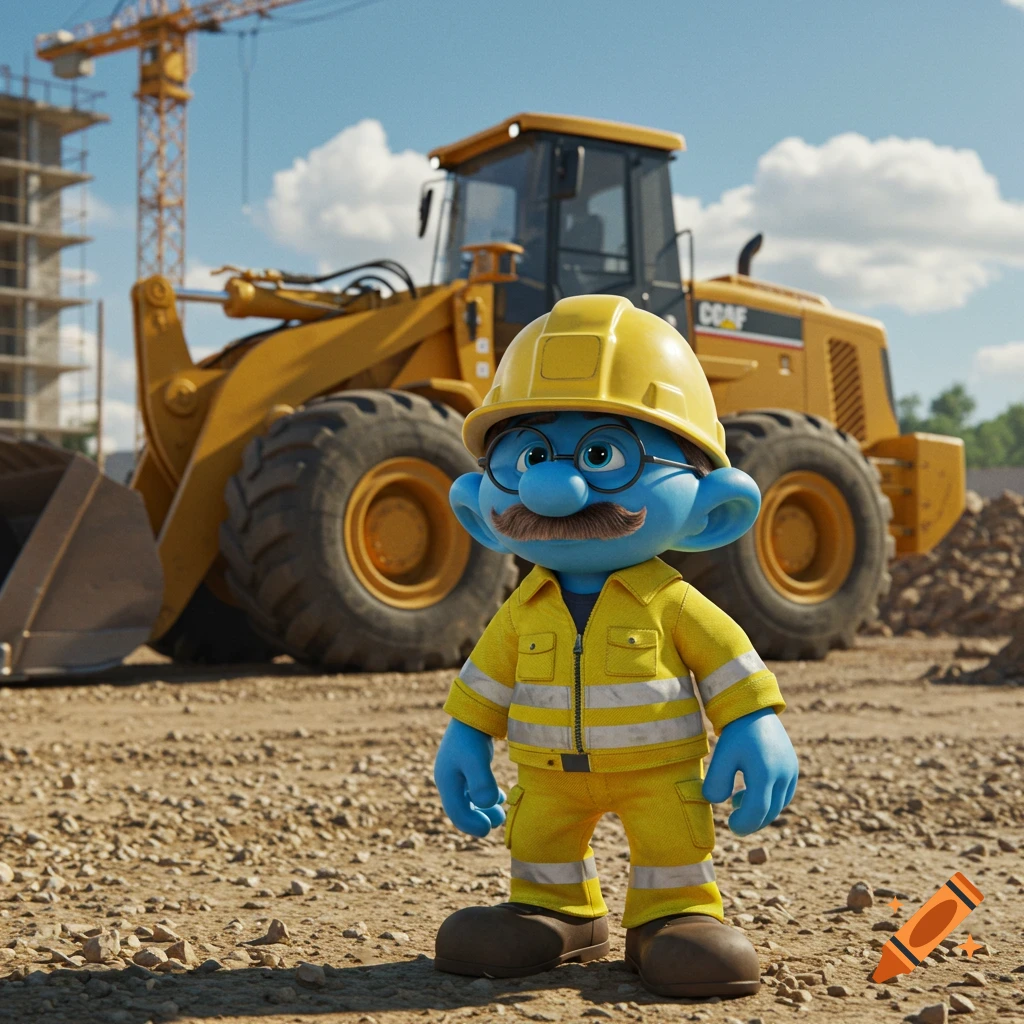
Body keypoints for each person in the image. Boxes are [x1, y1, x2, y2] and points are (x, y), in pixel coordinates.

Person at [432, 294, 799, 999]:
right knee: (538, 840)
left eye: (604, 455)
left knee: (671, 847)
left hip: (658, 772)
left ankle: (674, 918)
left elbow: (729, 664)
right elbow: (486, 682)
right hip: (545, 774)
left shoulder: (672, 603)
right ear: (480, 502)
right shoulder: (522, 609)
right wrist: (465, 738)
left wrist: (756, 721)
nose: (555, 485)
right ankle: (555, 914)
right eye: (529, 455)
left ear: (713, 507)